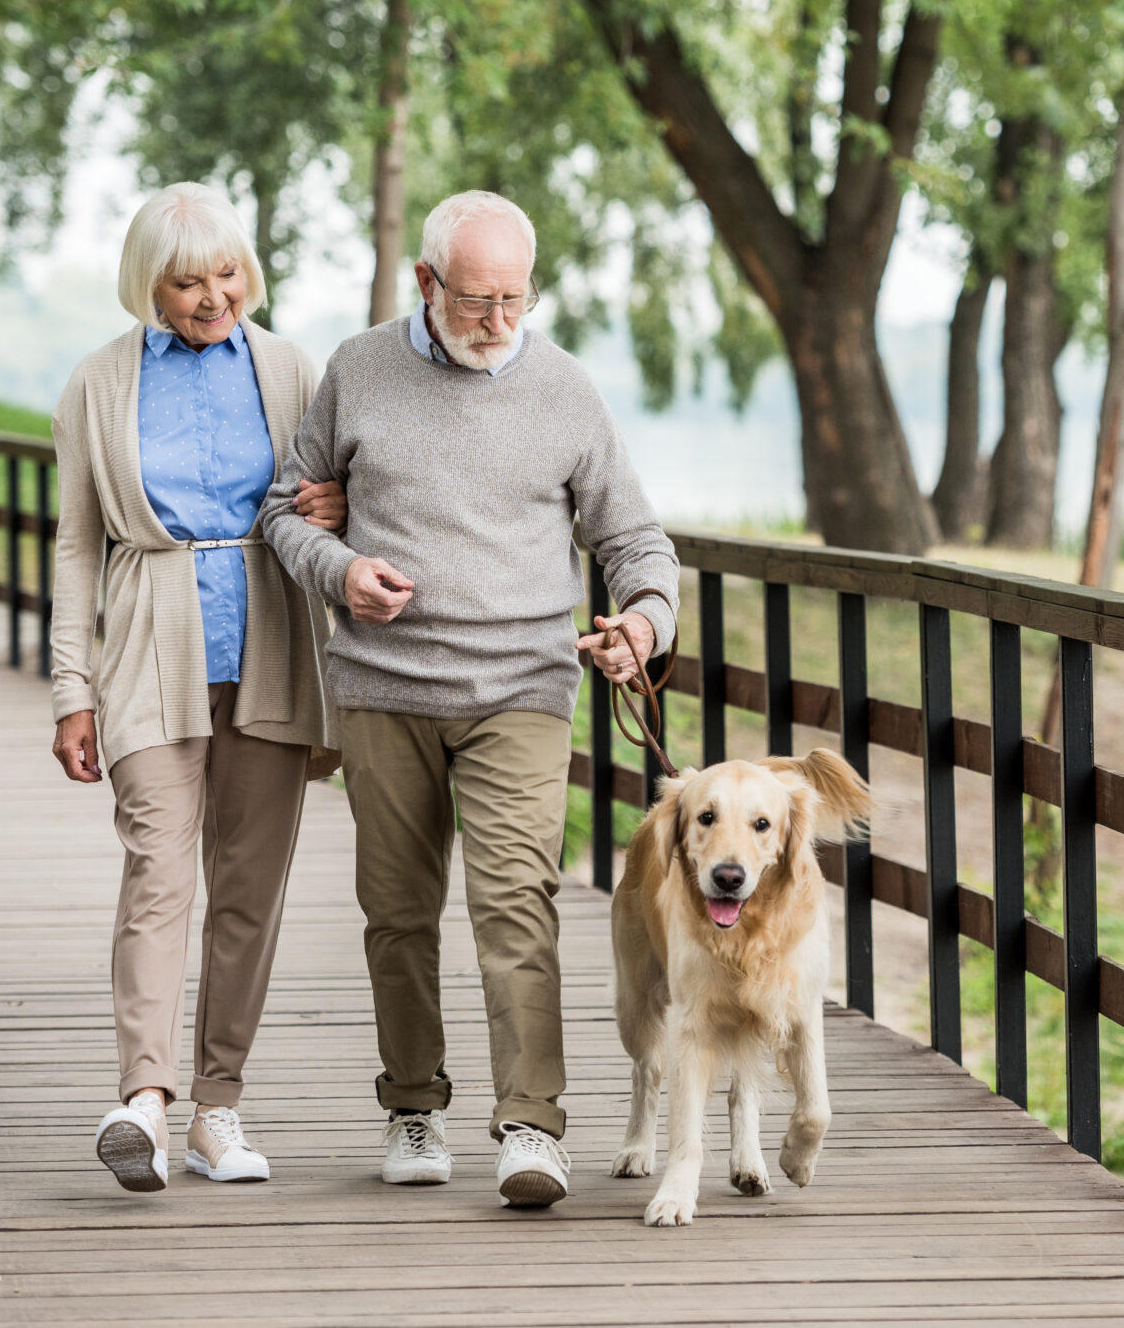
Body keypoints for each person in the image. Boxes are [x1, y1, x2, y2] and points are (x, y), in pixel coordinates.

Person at [260, 189, 678, 1209]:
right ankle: (413, 1103)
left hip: (521, 686)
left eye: (516, 299)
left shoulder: (566, 390)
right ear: (425, 283)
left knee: (513, 902)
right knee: (397, 912)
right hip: (384, 685)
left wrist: (644, 622)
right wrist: (339, 570)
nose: (499, 322)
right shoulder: (359, 370)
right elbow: (283, 507)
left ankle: (531, 1123)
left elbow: (634, 540)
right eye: (477, 299)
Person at [49, 184, 341, 1194]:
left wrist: (335, 504)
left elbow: (324, 504)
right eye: (187, 281)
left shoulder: (292, 368)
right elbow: (77, 543)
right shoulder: (99, 381)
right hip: (146, 642)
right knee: (157, 873)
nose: (213, 296)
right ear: (150, 284)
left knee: (248, 890)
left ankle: (219, 1106)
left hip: (268, 641)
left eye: (226, 273)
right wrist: (69, 687)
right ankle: (146, 1099)